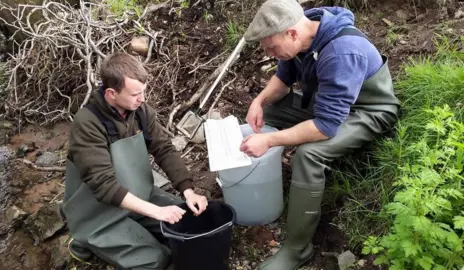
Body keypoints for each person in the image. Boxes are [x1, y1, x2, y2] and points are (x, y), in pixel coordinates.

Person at [240, 0, 400, 269]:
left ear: (291, 33)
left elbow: (325, 126)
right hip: (331, 103)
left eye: (271, 48)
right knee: (268, 113)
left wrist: (269, 140)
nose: (269, 54)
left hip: (368, 111)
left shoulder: (341, 52)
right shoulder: (300, 39)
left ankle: (297, 249)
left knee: (308, 155)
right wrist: (259, 102)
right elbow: (282, 81)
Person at [61, 52, 208, 270]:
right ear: (111, 93)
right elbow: (103, 185)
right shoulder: (87, 123)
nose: (142, 99)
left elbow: (164, 149)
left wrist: (187, 190)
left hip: (139, 197)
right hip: (99, 212)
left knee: (192, 227)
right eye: (135, 94)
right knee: (155, 260)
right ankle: (83, 241)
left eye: (143, 92)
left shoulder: (140, 111)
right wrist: (156, 212)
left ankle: (139, 229)